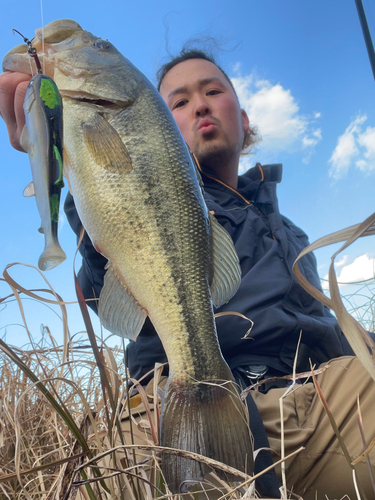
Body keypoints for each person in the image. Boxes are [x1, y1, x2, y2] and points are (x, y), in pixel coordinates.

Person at [1, 49, 375, 500]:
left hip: (322, 398)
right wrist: (62, 150)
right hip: (172, 407)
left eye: (214, 91)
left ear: (244, 117)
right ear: (155, 124)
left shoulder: (291, 232)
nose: (200, 104)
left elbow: (326, 330)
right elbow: (102, 284)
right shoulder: (139, 187)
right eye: (177, 102)